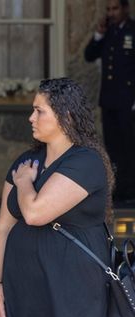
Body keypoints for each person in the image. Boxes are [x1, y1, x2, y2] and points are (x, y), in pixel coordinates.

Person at [0, 77, 113, 317]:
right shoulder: (26, 159)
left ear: (66, 116)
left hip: (70, 291)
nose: (31, 117)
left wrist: (26, 182)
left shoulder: (85, 163)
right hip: (18, 288)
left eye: (39, 110)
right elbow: (2, 228)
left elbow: (35, 213)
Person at [84, 0, 135, 201]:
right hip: (110, 100)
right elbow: (89, 55)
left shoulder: (133, 30)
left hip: (129, 101)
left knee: (129, 146)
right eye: (108, 9)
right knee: (113, 147)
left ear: (125, 9)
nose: (111, 13)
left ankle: (131, 189)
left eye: (115, 9)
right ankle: (119, 189)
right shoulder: (108, 32)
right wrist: (99, 34)